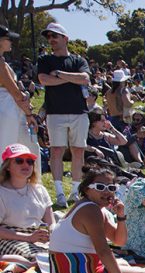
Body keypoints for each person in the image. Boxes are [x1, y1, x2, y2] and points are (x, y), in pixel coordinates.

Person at [48, 167, 145, 273]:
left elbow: (119, 241)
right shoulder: (91, 210)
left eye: (111, 188)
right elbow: (103, 251)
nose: (107, 192)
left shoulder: (94, 208)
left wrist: (121, 215)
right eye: (100, 187)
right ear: (86, 189)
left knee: (125, 265)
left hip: (64, 272)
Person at [37, 22, 91, 207]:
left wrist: (59, 74)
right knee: (57, 151)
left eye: (55, 36)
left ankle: (75, 191)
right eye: (49, 36)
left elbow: (85, 79)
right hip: (55, 112)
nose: (51, 39)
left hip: (79, 112)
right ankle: (60, 193)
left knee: (78, 151)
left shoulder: (78, 60)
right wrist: (71, 79)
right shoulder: (45, 60)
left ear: (65, 38)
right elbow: (44, 80)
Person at [0, 144, 52, 265]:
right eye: (19, 161)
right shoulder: (2, 191)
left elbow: (51, 222)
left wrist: (51, 233)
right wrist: (28, 237)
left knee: (60, 255)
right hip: (10, 238)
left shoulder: (39, 189)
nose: (26, 165)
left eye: (30, 161)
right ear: (8, 166)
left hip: (37, 237)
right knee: (41, 259)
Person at [0, 26, 39, 156]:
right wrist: (29, 114)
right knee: (7, 146)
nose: (11, 42)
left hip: (9, 108)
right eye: (8, 39)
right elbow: (15, 92)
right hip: (6, 109)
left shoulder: (3, 61)